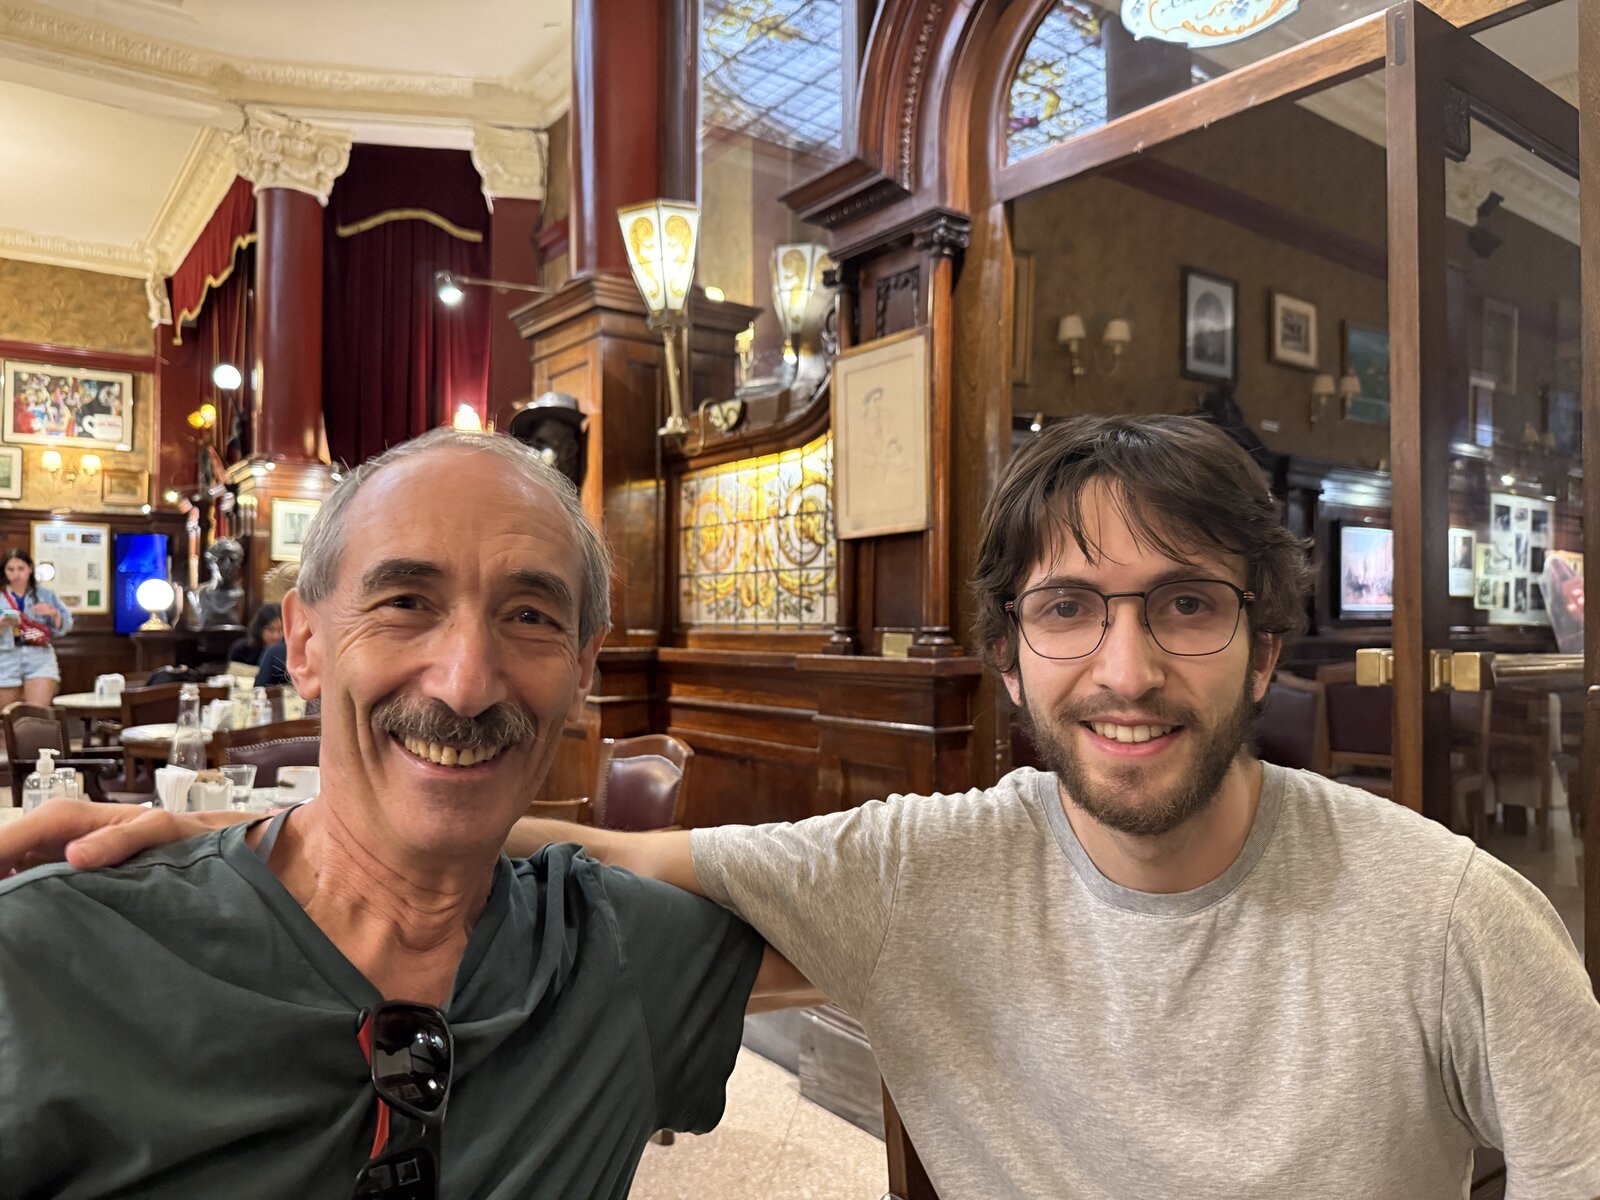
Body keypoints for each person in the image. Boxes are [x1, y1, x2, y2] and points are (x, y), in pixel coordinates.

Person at [12, 416, 1600, 1196]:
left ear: (1265, 636)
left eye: (1186, 607)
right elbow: (589, 840)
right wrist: (250, 835)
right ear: (1007, 653)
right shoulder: (934, 868)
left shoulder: (1453, 914)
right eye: (1070, 611)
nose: (1128, 668)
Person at [0, 429, 810, 1197]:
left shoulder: (616, 948)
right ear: (306, 643)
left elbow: (904, 905)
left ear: (582, 669)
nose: (465, 682)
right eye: (406, 601)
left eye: (530, 616)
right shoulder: (48, 959)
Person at [0, 547, 73, 707]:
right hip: (5, 657)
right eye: (10, 569)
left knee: (37, 715)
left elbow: (65, 626)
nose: (16, 574)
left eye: (21, 569)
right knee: (5, 717)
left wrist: (54, 614)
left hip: (39, 657)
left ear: (30, 569)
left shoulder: (45, 594)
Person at [227, 601, 283, 666]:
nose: (275, 636)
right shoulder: (241, 650)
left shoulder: (290, 653)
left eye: (281, 629)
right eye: (270, 629)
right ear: (259, 628)